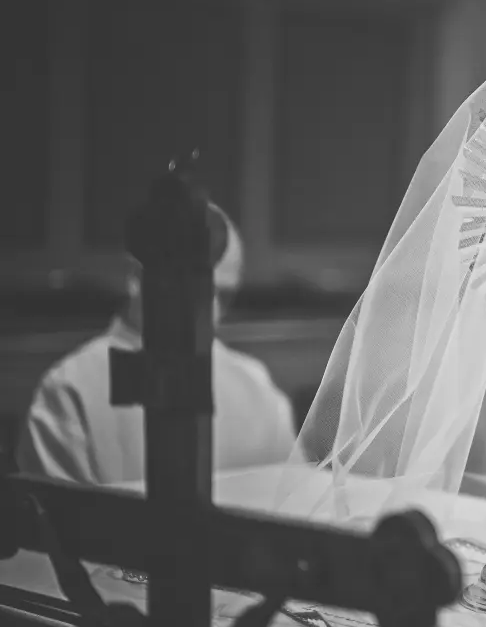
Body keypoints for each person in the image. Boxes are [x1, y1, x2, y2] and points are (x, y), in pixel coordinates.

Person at [15, 203, 297, 487]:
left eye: (223, 295)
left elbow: (289, 501)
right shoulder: (70, 390)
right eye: (192, 286)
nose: (210, 312)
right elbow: (59, 513)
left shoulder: (259, 389)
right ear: (136, 278)